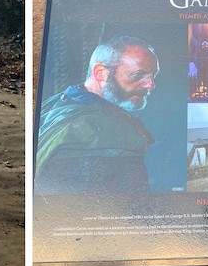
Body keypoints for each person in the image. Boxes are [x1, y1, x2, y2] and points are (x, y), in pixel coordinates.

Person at [34, 36, 159, 194]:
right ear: (101, 73)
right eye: (138, 75)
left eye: (153, 76)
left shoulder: (56, 103)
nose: (151, 85)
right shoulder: (106, 131)